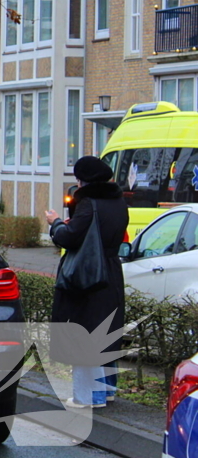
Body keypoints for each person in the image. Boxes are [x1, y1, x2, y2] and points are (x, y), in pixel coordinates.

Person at [44, 155, 129, 409]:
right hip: (112, 271)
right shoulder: (118, 201)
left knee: (84, 332)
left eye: (78, 179)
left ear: (84, 180)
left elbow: (69, 237)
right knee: (106, 331)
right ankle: (108, 389)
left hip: (88, 274)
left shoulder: (88, 203)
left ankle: (88, 396)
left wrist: (55, 223)